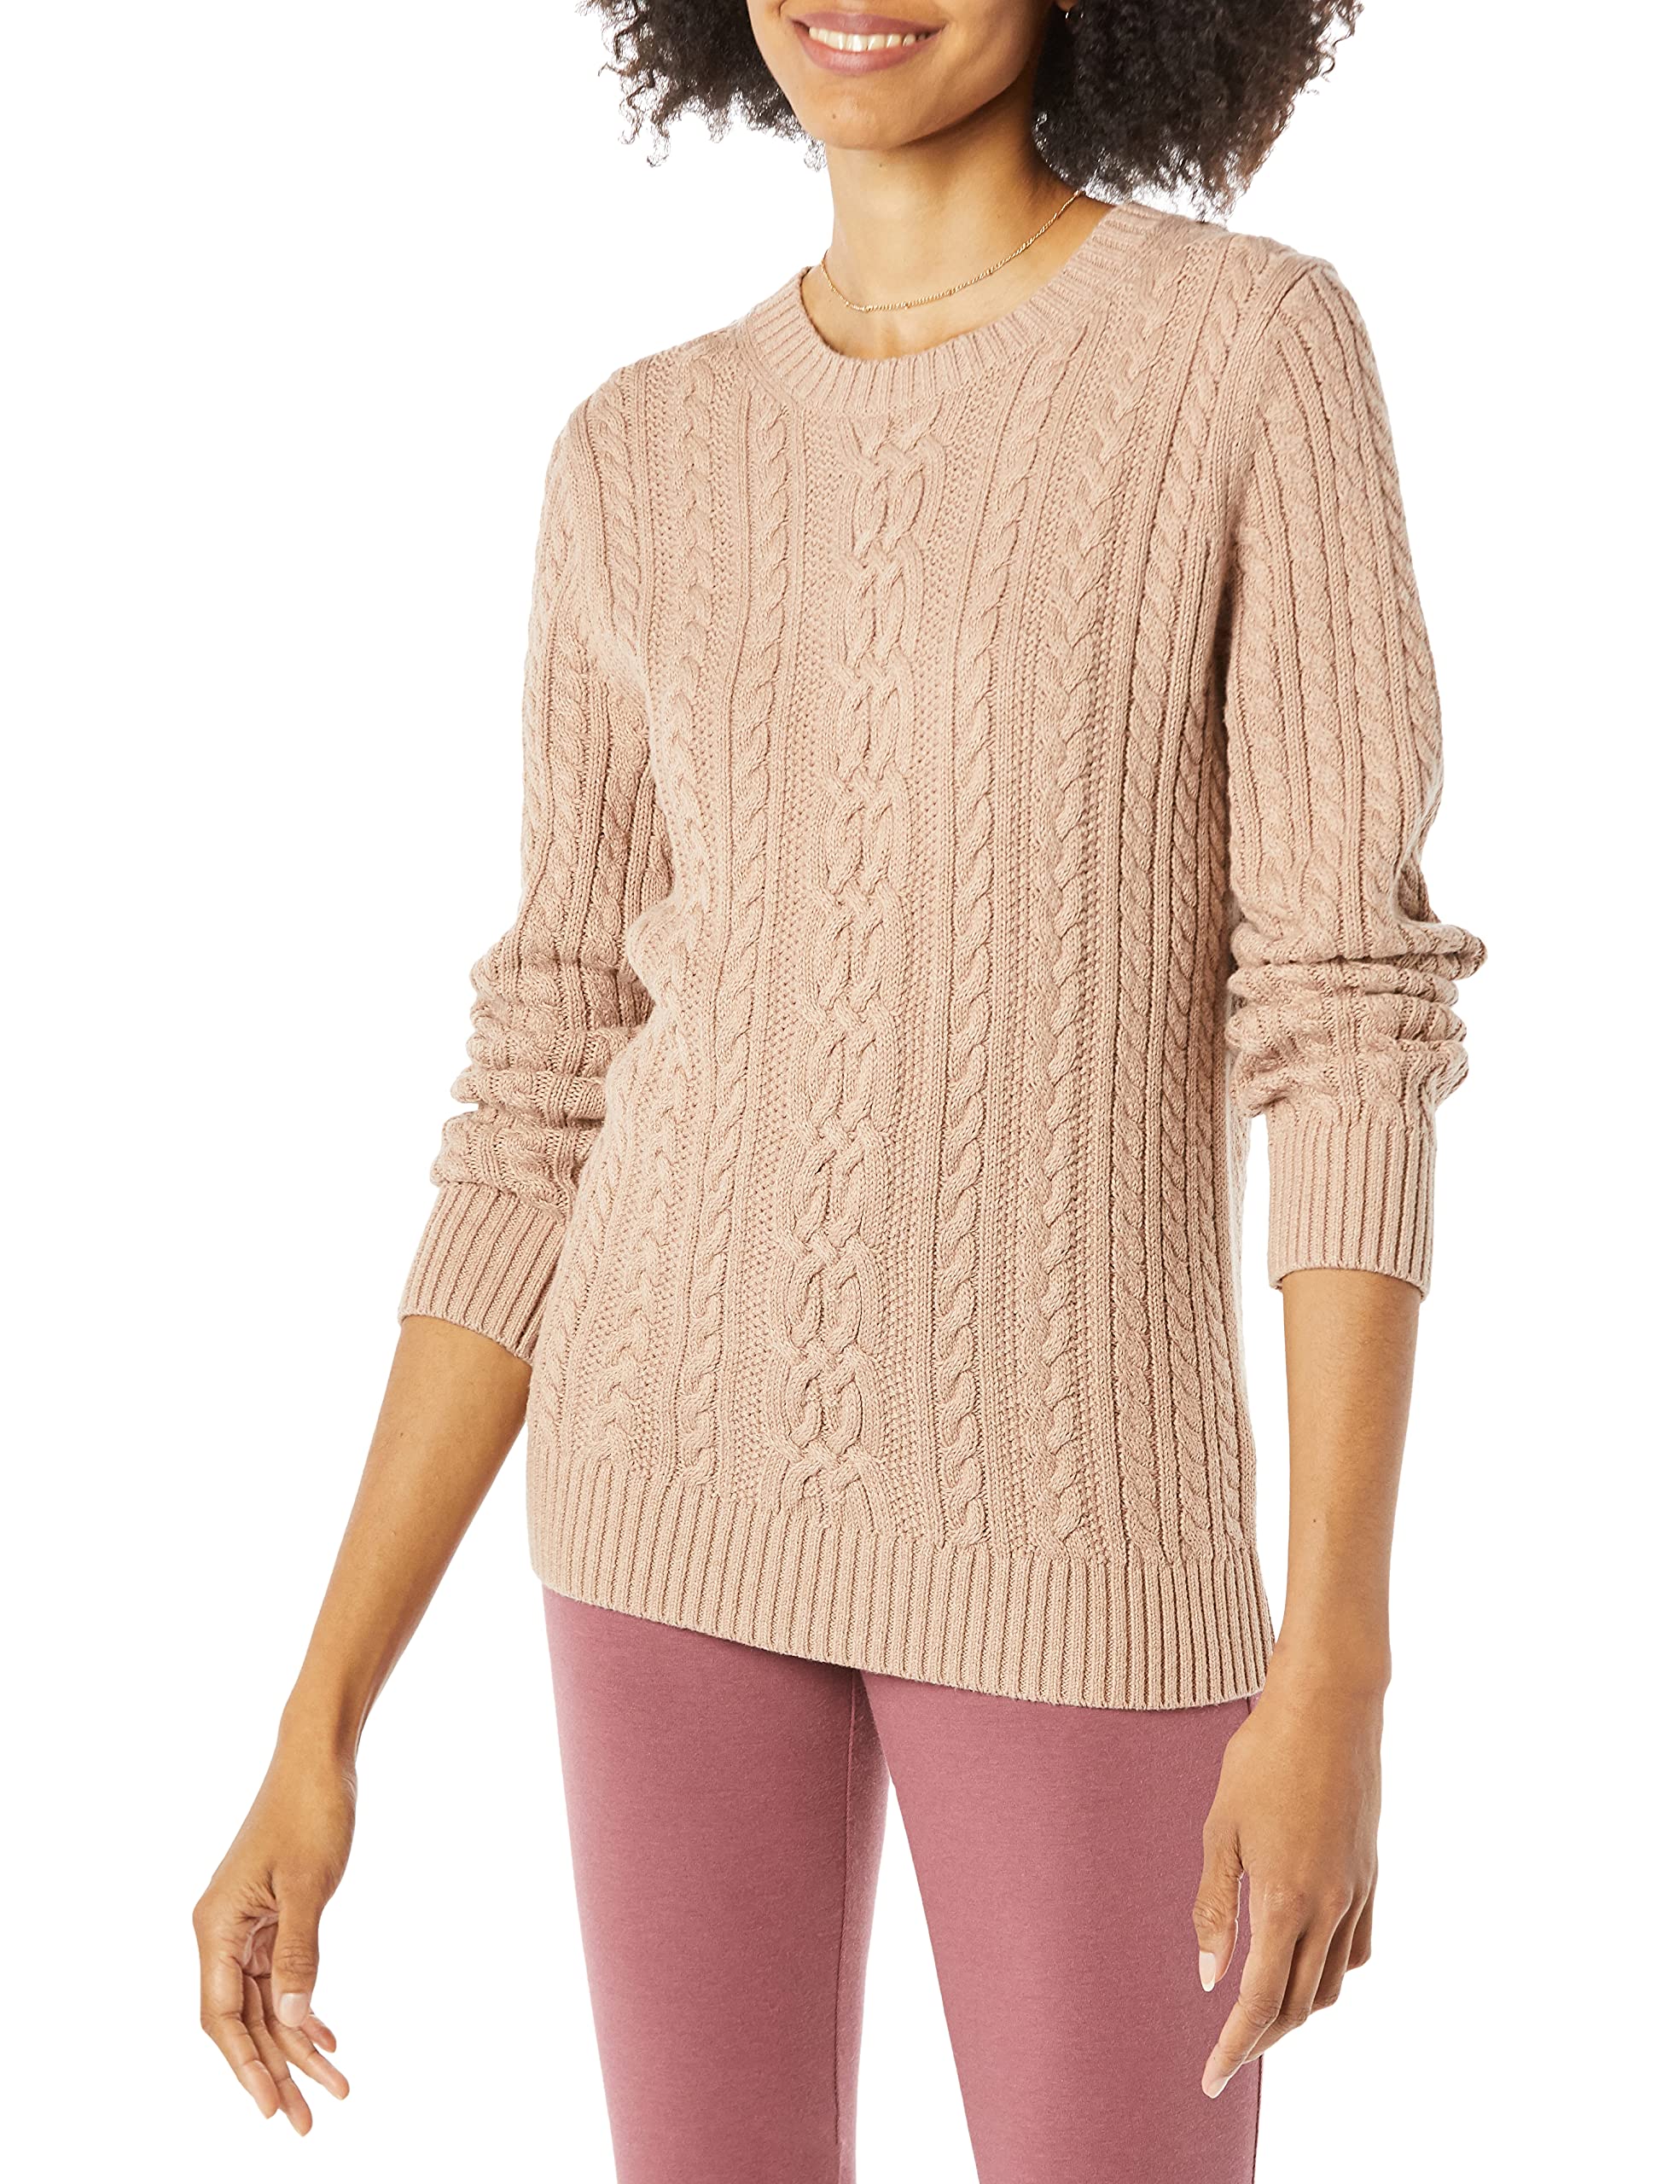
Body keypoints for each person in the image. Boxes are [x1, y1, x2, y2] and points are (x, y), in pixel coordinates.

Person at [192, 4, 1487, 2177]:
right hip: (658, 1503)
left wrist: (1333, 1658)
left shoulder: (1244, 354)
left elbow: (1346, 1010)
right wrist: (316, 1722)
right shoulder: (634, 450)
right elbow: (546, 1076)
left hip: (1079, 1532)